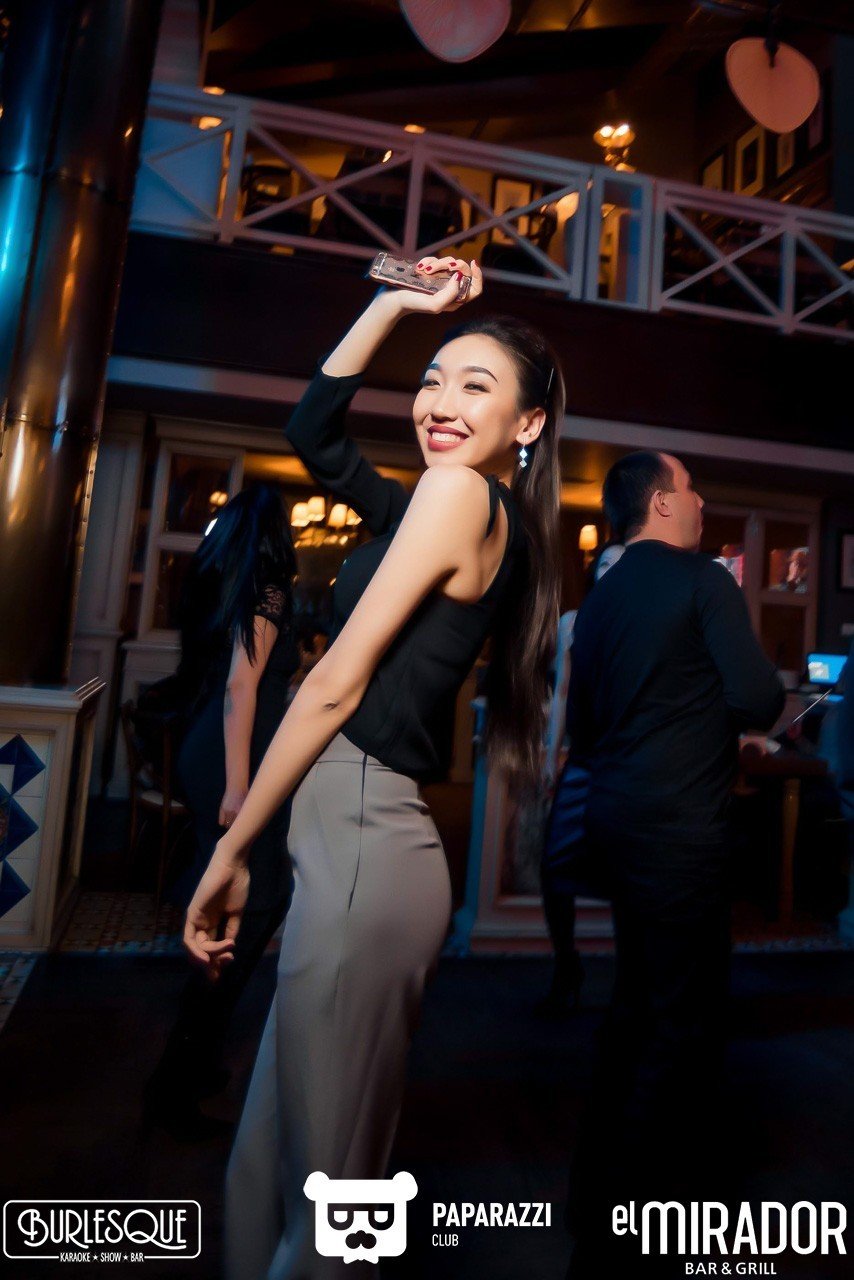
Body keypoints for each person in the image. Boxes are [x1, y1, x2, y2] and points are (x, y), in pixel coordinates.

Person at [183, 255, 564, 1279]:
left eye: (475, 386)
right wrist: (394, 305)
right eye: (431, 380)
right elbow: (312, 430)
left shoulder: (458, 496)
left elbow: (333, 686)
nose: (440, 403)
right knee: (269, 1160)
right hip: (348, 851)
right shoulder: (428, 508)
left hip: (364, 846)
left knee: (333, 1198)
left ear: (527, 424)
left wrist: (232, 847)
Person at [564, 450, 785, 1278]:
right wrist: (718, 721)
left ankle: (593, 1199)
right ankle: (629, 1230)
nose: (701, 503)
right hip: (680, 833)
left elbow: (584, 731)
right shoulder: (704, 581)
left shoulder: (601, 598)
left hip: (615, 825)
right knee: (676, 1023)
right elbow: (759, 698)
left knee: (632, 1006)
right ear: (661, 503)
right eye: (691, 490)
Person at [143, 484, 299, 1140]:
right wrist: (239, 787)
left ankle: (195, 1064)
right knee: (251, 906)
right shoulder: (268, 585)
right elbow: (242, 683)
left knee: (241, 903)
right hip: (234, 761)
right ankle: (173, 1089)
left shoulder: (223, 585)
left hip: (211, 747)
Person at [538, 541, 624, 1016]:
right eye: (605, 563)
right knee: (554, 869)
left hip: (626, 764)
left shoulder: (640, 624)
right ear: (595, 571)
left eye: (622, 564)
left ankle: (629, 989)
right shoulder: (572, 622)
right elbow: (562, 694)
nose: (612, 570)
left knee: (627, 879)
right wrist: (552, 756)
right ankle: (566, 966)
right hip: (584, 761)